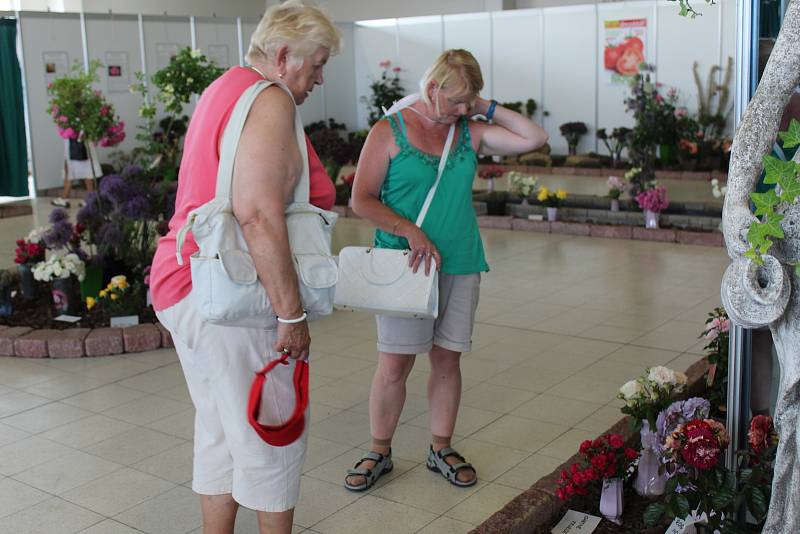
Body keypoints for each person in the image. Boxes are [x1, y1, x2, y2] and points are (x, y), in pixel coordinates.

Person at [148, 2, 340, 533]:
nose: (319, 78)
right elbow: (256, 212)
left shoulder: (225, 86)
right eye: (316, 64)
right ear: (283, 56)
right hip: (235, 292)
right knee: (271, 435)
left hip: (185, 281)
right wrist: (291, 315)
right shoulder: (271, 98)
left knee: (220, 431)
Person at [344, 49, 549, 491]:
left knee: (446, 360)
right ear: (431, 88)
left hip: (460, 261)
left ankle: (441, 446)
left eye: (468, 102)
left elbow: (534, 137)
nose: (461, 110)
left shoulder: (469, 133)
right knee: (395, 364)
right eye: (455, 100)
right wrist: (408, 230)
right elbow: (360, 199)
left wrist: (483, 107)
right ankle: (379, 449)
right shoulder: (389, 131)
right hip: (404, 265)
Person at [51, 138, 99, 207]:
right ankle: (89, 198)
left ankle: (64, 198)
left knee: (73, 169)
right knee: (84, 169)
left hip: (76, 143)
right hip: (79, 143)